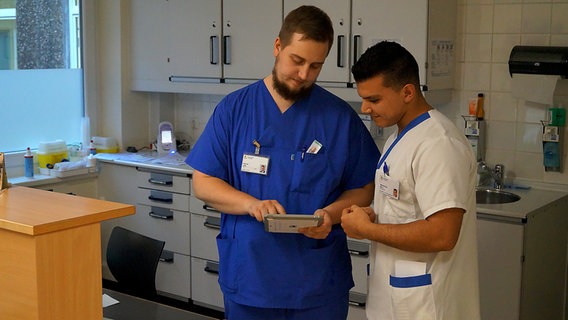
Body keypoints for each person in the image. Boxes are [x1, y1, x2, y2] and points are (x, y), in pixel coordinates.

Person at [185, 5, 380, 320]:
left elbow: (363, 188)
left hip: (318, 283)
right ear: (278, 47)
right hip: (251, 278)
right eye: (297, 61)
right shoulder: (234, 111)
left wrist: (330, 215)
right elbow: (204, 183)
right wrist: (252, 205)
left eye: (316, 66)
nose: (304, 75)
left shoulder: (339, 118)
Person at [341, 41, 480, 320]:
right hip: (396, 297)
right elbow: (404, 207)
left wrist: (369, 230)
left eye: (374, 99)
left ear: (407, 92)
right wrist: (373, 217)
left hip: (426, 305)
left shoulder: (439, 143)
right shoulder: (399, 135)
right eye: (364, 98)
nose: (365, 108)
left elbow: (443, 234)